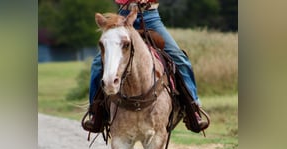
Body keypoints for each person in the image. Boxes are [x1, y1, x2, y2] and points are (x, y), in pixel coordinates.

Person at [83, 0, 208, 133]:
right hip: (123, 16)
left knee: (180, 59)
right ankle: (96, 113)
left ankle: (193, 109)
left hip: (150, 17)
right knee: (97, 64)